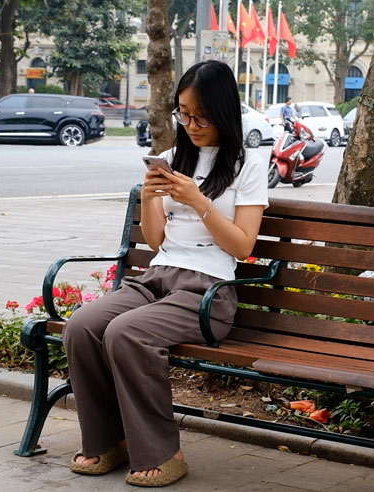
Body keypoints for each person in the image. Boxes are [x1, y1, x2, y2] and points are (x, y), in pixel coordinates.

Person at [63, 60, 268, 487]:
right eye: (183, 113)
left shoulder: (248, 165)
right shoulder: (174, 159)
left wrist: (198, 201)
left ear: (224, 110)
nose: (190, 124)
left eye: (200, 115)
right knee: (81, 327)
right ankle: (107, 442)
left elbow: (243, 247)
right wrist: (150, 198)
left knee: (126, 333)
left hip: (211, 289)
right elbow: (157, 242)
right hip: (158, 277)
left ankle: (163, 452)